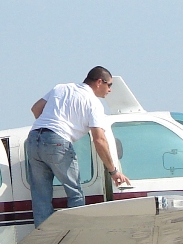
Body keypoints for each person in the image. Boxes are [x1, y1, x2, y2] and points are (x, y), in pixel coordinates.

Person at [26, 66, 130, 228]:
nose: (110, 90)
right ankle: (75, 232)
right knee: (75, 193)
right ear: (99, 82)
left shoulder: (61, 88)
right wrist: (113, 171)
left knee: (40, 196)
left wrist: (49, 128)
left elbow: (36, 109)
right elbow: (99, 140)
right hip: (58, 142)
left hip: (34, 138)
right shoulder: (93, 103)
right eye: (109, 85)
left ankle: (43, 237)